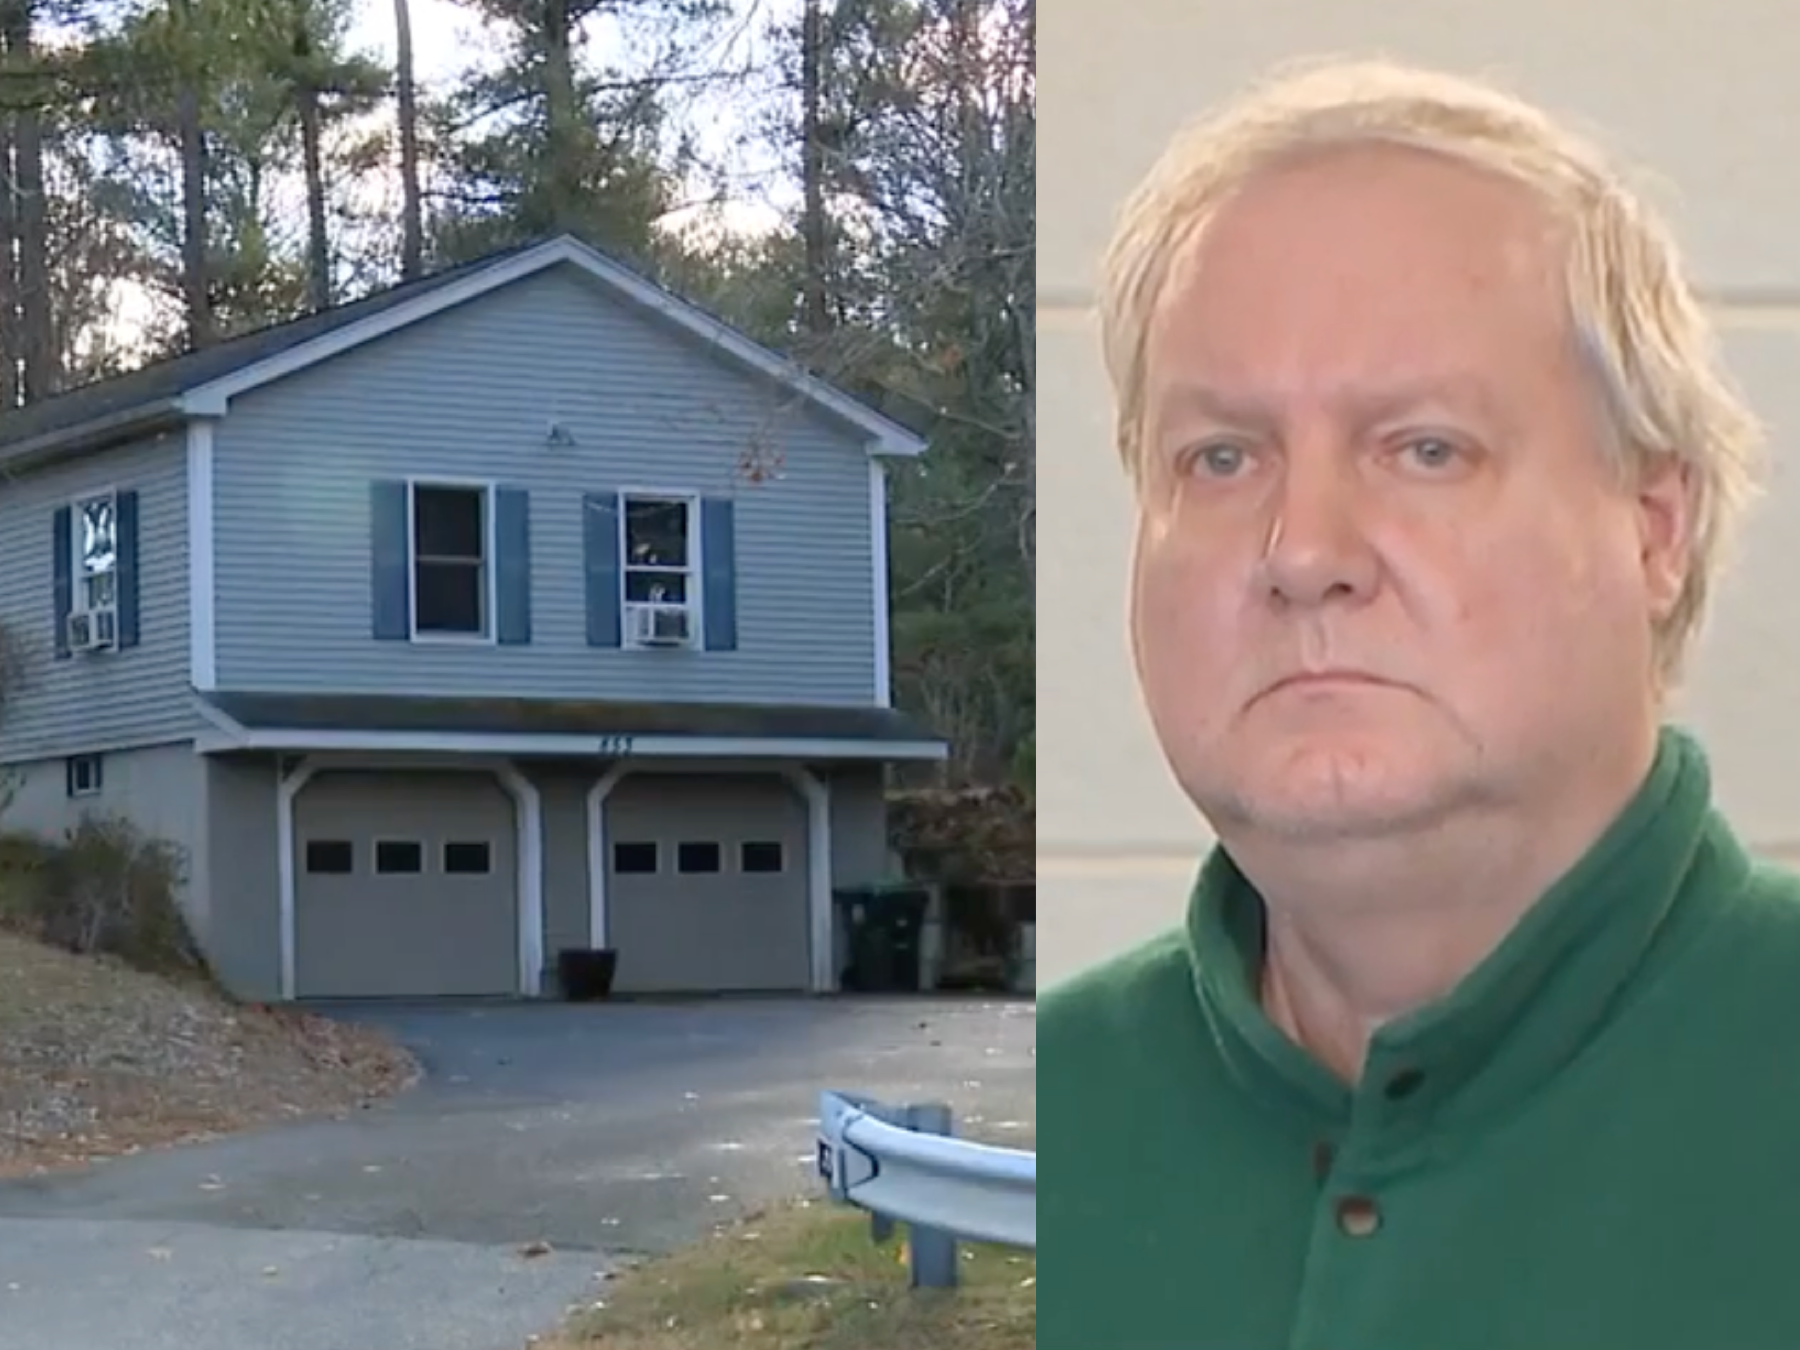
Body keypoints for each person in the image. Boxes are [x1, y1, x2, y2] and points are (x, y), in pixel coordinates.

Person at [1038, 55, 1800, 1350]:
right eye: (1220, 457)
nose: (1301, 546)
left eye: (1425, 448)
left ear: (1651, 527)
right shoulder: (1051, 1117)